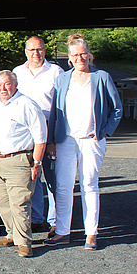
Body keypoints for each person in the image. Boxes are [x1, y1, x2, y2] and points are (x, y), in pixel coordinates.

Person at [45, 34, 122, 250]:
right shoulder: (62, 79)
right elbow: (55, 112)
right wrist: (51, 141)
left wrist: (105, 131)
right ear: (69, 58)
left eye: (83, 54)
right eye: (76, 55)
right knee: (63, 186)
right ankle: (62, 231)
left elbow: (116, 108)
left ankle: (91, 233)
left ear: (89, 55)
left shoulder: (101, 77)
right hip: (66, 140)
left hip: (91, 140)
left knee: (89, 185)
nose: (80, 58)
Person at [0, 70, 46, 258]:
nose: (3, 88)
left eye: (7, 84)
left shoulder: (26, 104)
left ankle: (24, 242)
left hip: (18, 160)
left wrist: (37, 162)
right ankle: (12, 234)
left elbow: (40, 137)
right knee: (2, 202)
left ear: (15, 84)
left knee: (20, 203)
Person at [13, 35, 62, 235]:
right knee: (31, 175)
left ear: (45, 50)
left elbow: (61, 105)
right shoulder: (17, 72)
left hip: (49, 129)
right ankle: (36, 218)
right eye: (32, 49)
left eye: (39, 49)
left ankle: (56, 221)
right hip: (26, 132)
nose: (36, 53)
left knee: (52, 178)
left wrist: (54, 139)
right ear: (26, 52)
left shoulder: (55, 72)